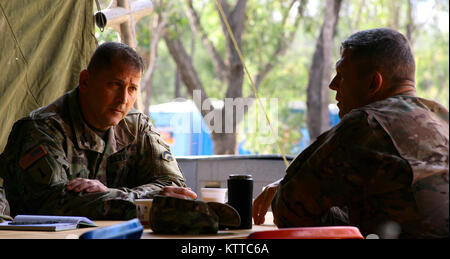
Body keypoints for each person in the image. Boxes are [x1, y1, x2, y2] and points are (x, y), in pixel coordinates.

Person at [252, 28, 449, 239]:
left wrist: (285, 189)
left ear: (374, 83)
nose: (332, 85)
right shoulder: (441, 117)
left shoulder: (366, 125)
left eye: (342, 75)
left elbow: (290, 212)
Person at [0, 42, 197, 220]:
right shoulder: (41, 130)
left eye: (132, 89)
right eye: (115, 85)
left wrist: (114, 194)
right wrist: (144, 201)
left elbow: (174, 187)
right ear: (85, 81)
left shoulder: (136, 127)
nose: (123, 99)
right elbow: (53, 203)